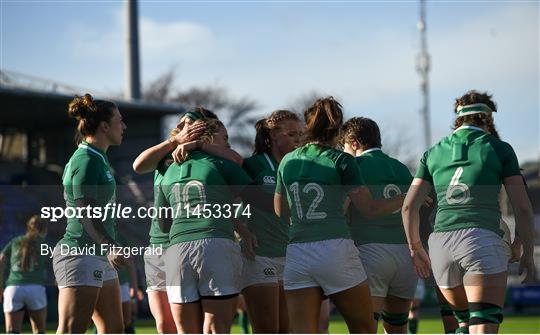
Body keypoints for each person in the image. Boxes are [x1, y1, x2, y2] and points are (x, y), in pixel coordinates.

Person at [402, 90, 536, 334]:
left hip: (440, 244)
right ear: (487, 119)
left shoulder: (432, 153)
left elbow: (409, 207)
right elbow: (524, 208)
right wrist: (524, 249)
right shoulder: (498, 148)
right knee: (483, 324)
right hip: (481, 239)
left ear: (458, 118)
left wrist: (416, 249)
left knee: (463, 326)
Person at [274, 96, 405, 333]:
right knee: (364, 328)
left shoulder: (287, 161)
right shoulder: (342, 160)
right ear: (337, 128)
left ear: (307, 125)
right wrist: (406, 197)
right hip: (334, 248)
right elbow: (369, 209)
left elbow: (280, 211)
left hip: (297, 251)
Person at [132, 107, 242, 334]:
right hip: (159, 245)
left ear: (202, 129)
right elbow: (138, 165)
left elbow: (237, 162)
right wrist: (175, 142)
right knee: (165, 325)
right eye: (180, 123)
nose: (182, 127)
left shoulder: (209, 158)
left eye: (189, 123)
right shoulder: (165, 155)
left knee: (203, 322)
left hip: (193, 243)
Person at [158, 119, 256, 333]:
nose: (227, 145)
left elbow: (163, 224)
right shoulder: (220, 164)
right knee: (215, 328)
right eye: (224, 139)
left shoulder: (168, 171)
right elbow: (257, 199)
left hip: (177, 250)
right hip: (215, 244)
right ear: (208, 139)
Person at [53, 93, 128, 333]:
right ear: (104, 126)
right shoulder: (85, 159)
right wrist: (109, 245)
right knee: (71, 330)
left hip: (97, 254)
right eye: (120, 120)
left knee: (114, 329)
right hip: (79, 253)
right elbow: (84, 211)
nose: (124, 126)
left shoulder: (98, 158)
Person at [340, 117, 419, 334]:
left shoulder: (353, 166)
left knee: (365, 326)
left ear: (354, 143)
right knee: (397, 327)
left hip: (369, 250)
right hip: (404, 254)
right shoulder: (401, 168)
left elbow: (341, 209)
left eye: (344, 146)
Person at [241, 110, 303, 333]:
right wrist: (241, 230)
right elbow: (226, 199)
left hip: (292, 255)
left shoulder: (299, 166)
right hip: (260, 254)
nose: (298, 139)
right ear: (273, 134)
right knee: (267, 329)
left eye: (300, 134)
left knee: (288, 329)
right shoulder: (253, 164)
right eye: (292, 134)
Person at [0, 215, 48, 334]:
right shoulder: (43, 243)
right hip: (35, 288)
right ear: (44, 229)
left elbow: (1, 258)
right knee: (39, 331)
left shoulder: (16, 241)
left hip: (13, 288)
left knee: (12, 331)